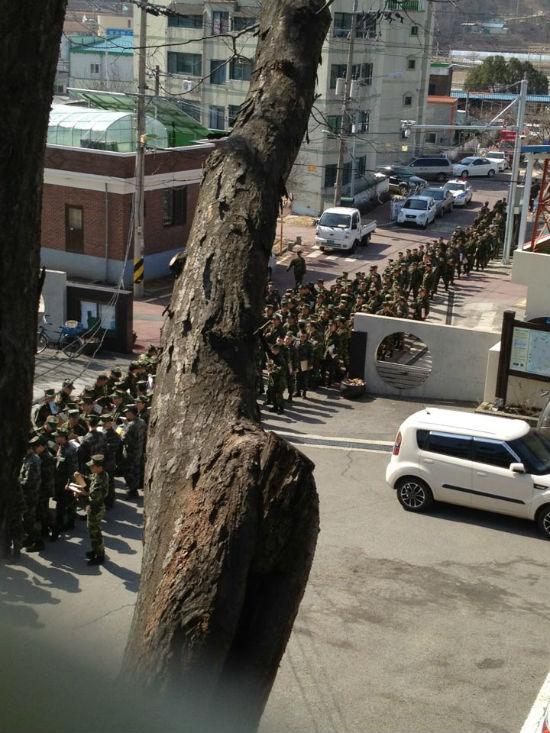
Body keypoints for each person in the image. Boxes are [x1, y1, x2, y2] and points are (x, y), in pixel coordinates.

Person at [71, 454, 108, 565]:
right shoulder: (100, 474)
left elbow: (91, 499)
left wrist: (80, 493)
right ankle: (95, 551)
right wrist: (80, 476)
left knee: (95, 533)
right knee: (92, 531)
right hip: (95, 508)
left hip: (96, 509)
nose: (90, 468)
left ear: (99, 467)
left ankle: (100, 556)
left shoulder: (99, 483)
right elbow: (90, 478)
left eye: (92, 466)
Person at [21, 438, 43, 553]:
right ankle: (31, 538)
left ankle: (39, 542)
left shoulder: (33, 461)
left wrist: (17, 482)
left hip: (31, 495)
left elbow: (28, 481)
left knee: (29, 520)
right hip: (27, 494)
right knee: (27, 519)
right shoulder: (27, 458)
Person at [121, 405, 147, 498]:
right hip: (139, 450)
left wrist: (122, 430)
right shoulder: (142, 422)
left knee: (129, 472)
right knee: (136, 470)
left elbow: (124, 438)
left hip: (130, 451)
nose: (126, 414)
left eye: (127, 413)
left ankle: (131, 491)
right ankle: (135, 488)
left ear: (132, 413)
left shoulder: (131, 425)